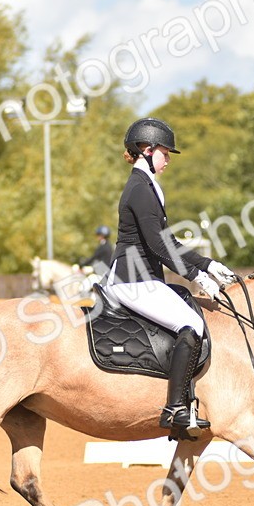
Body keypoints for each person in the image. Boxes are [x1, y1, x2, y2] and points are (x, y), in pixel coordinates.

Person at [101, 117, 237, 440]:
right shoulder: (139, 189)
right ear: (146, 150)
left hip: (143, 278)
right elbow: (158, 245)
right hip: (132, 281)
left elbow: (168, 242)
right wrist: (195, 275)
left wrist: (207, 264)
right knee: (192, 325)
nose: (168, 159)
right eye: (165, 152)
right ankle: (175, 408)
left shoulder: (147, 186)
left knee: (188, 306)